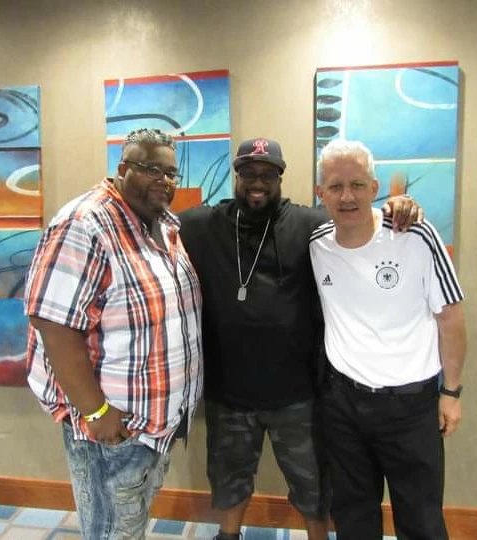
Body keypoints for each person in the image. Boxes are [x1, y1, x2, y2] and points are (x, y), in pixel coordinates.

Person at [179, 137, 421, 540]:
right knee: (228, 481)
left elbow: (358, 218)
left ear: (280, 179)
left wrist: (397, 207)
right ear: (237, 177)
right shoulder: (200, 226)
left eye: (268, 175)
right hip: (228, 392)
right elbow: (151, 221)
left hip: (299, 393)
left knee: (314, 489)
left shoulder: (312, 226)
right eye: (249, 173)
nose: (258, 183)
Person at [24, 128, 203, 540]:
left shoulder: (162, 225)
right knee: (110, 532)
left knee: (128, 526)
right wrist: (96, 413)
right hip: (112, 430)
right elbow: (53, 325)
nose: (164, 180)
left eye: (170, 173)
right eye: (151, 169)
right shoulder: (84, 224)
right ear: (122, 169)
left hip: (151, 426)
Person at [309, 139, 466, 540]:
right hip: (342, 404)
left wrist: (451, 392)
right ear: (320, 192)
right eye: (336, 186)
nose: (347, 197)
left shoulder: (415, 235)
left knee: (421, 521)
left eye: (357, 185)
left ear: (375, 188)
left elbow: (450, 317)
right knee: (353, 517)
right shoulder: (316, 243)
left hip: (410, 405)